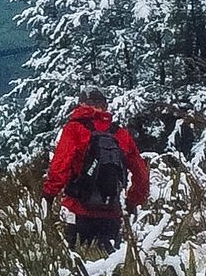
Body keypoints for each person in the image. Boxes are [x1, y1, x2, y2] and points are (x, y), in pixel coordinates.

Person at [42, 87, 148, 251]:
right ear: (105, 106)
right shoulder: (120, 134)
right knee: (110, 267)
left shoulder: (74, 129)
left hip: (79, 209)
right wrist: (133, 201)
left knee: (80, 266)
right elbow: (141, 175)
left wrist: (48, 195)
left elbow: (60, 166)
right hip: (112, 212)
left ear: (81, 104)